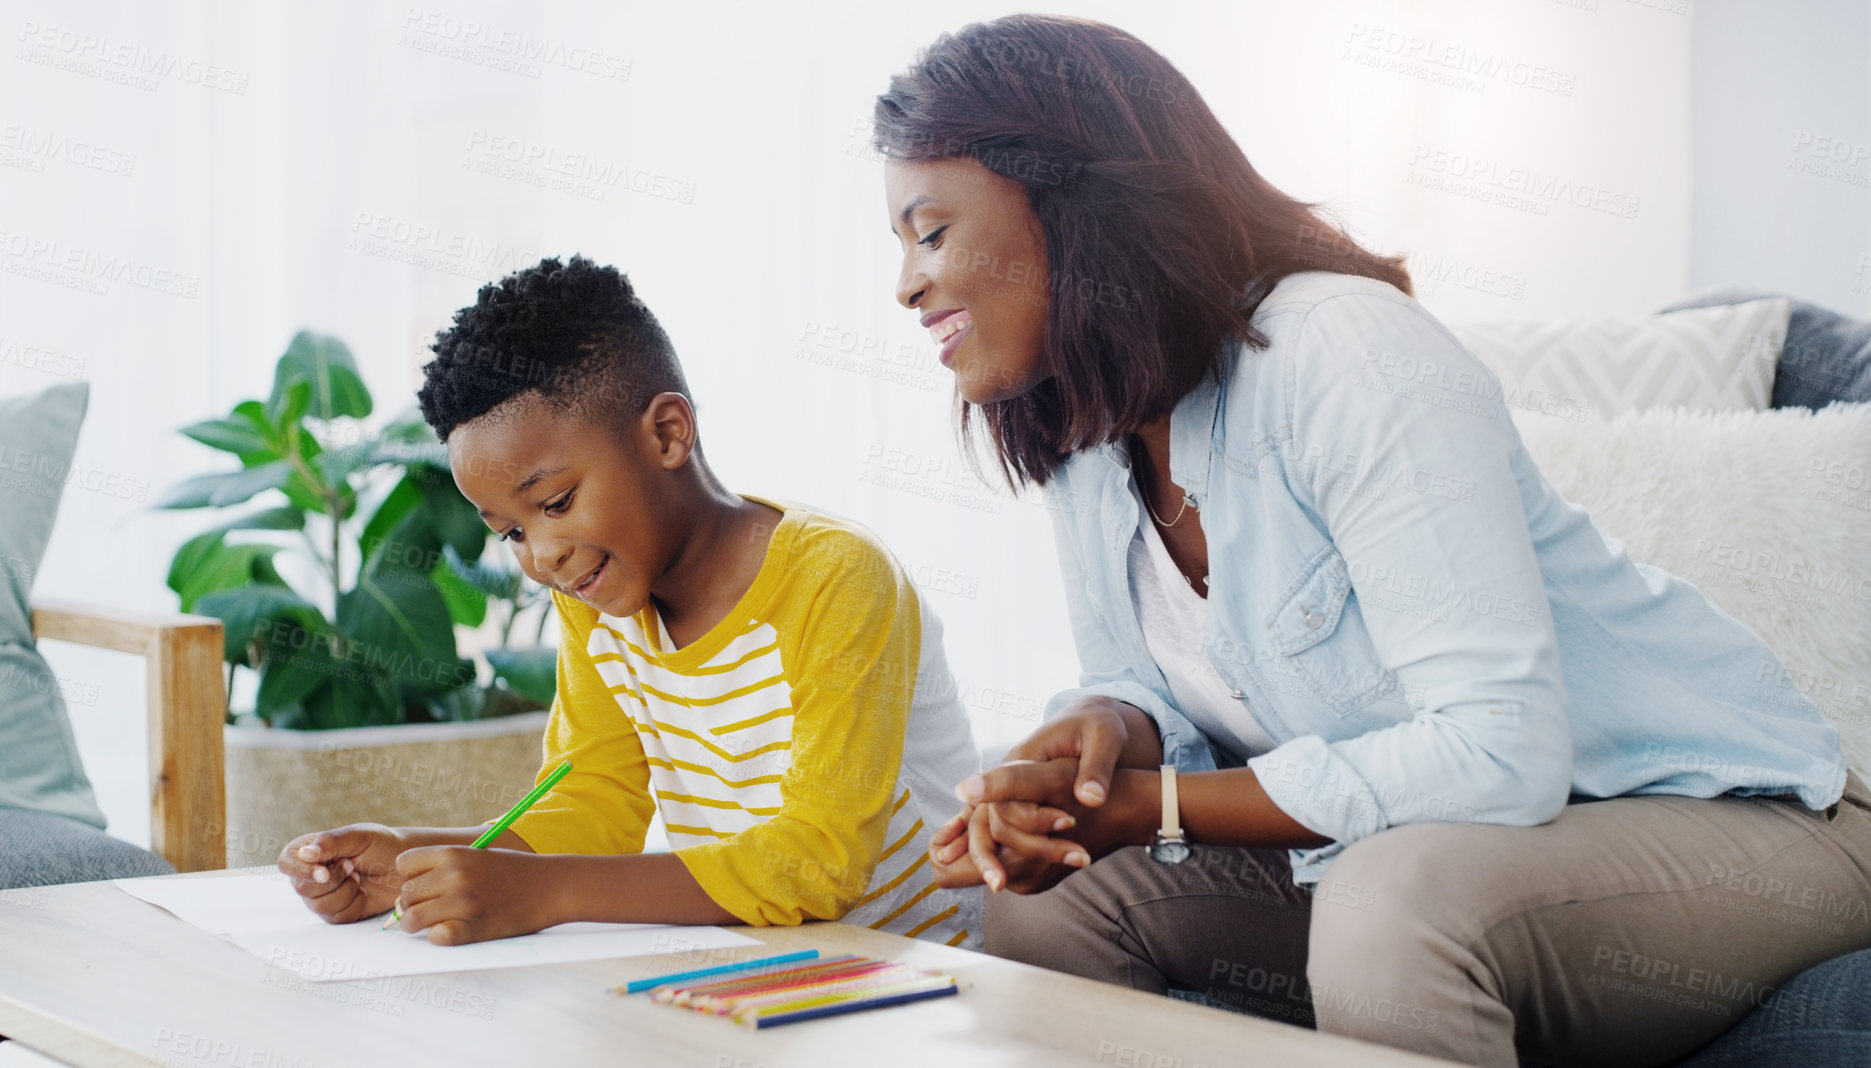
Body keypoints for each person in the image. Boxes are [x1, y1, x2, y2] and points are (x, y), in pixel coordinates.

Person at [873, 15, 1871, 1067]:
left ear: (1072, 204)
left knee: (1387, 906)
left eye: (928, 231)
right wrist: (1100, 733)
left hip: (1736, 823)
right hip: (1446, 852)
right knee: (1053, 899)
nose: (904, 285)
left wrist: (1152, 805)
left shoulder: (1340, 351)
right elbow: (1148, 680)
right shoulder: (1085, 425)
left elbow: (1498, 750)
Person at [277, 256, 981, 951]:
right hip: (749, 970)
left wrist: (542, 893)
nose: (540, 555)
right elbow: (590, 808)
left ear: (667, 433)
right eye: (512, 532)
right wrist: (412, 862)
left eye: (556, 503)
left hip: (910, 976)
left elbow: (817, 863)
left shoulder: (837, 578)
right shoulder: (599, 598)